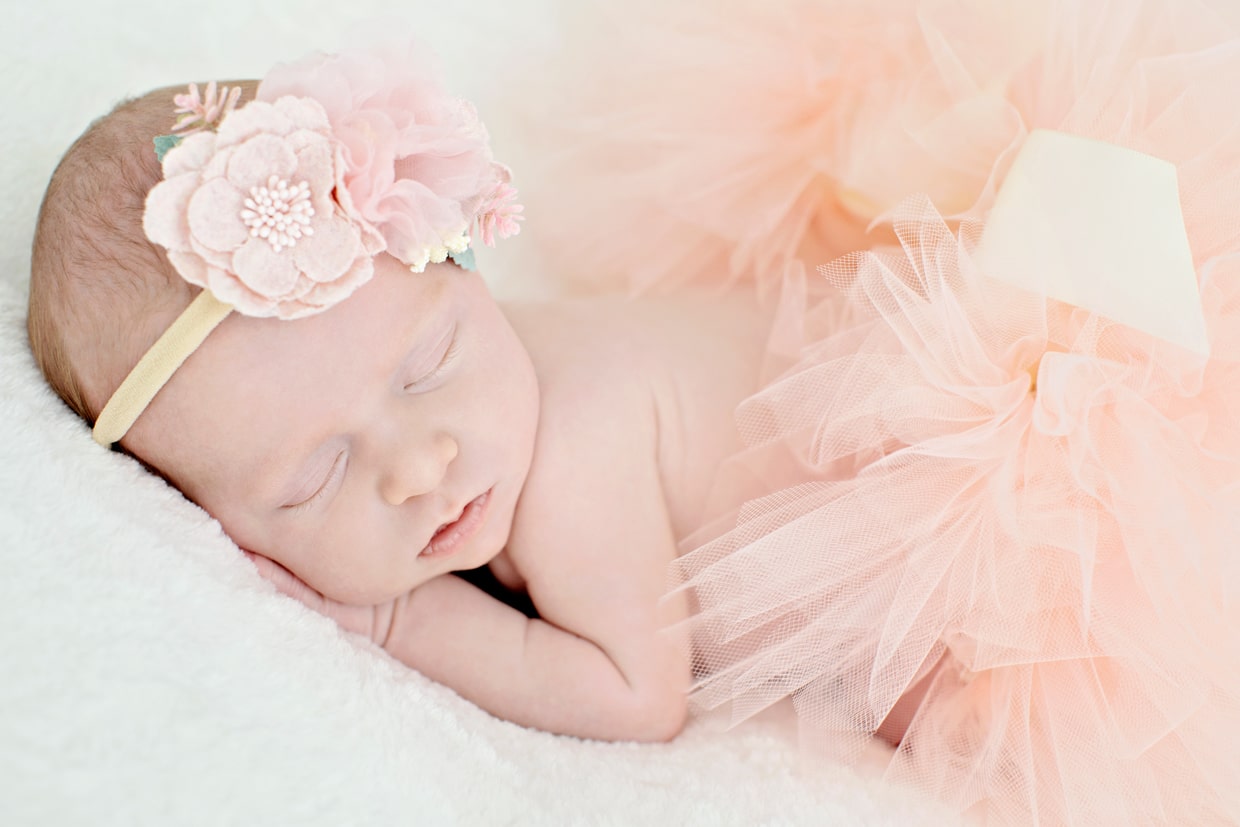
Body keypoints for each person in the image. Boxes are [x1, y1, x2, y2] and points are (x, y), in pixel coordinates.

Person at [26, 4, 1240, 821]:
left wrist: (400, 622)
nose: (421, 462)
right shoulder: (482, 409)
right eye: (312, 477)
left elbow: (634, 690)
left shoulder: (576, 443)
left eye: (430, 360)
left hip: (992, 501)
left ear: (461, 258)